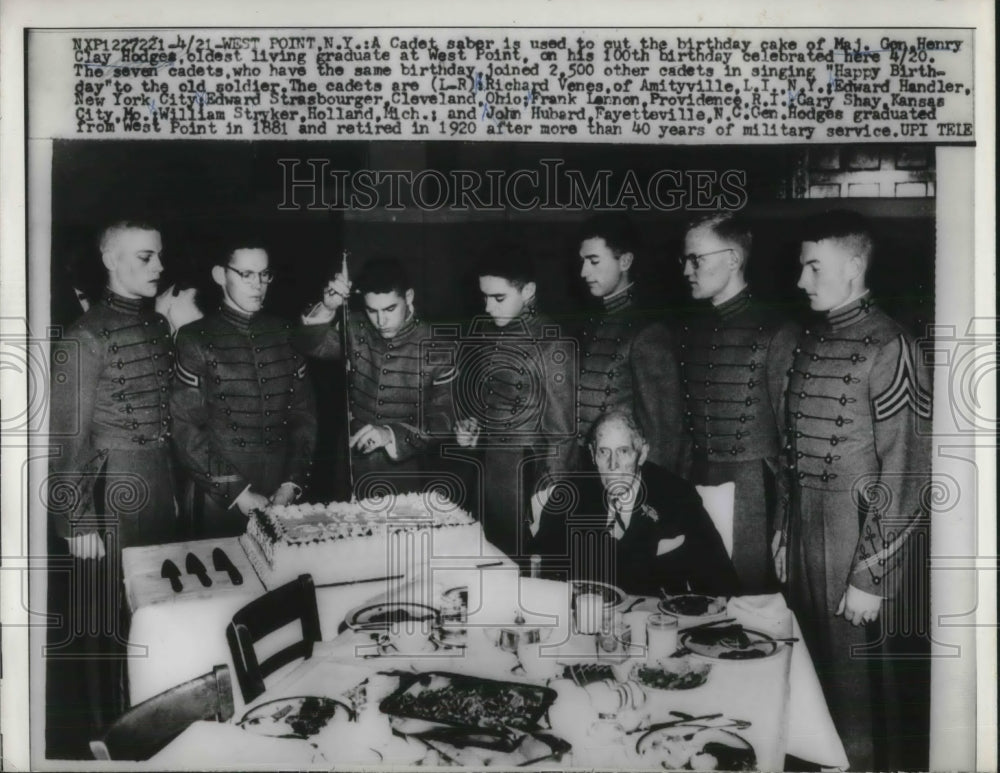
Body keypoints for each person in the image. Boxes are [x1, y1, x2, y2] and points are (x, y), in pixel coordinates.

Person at [777, 210, 932, 771]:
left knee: (855, 693)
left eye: (814, 267)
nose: (801, 281)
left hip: (856, 534)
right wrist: (783, 528)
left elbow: (908, 472)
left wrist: (871, 574)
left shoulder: (892, 344)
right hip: (805, 534)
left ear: (854, 266)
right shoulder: (812, 337)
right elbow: (795, 451)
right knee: (809, 678)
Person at [47, 220, 178, 751]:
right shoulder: (85, 336)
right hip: (109, 498)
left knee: (155, 617)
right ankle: (109, 742)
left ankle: (156, 727)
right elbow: (65, 437)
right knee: (110, 625)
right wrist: (73, 518)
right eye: (146, 257)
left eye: (159, 256)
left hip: (158, 486)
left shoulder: (154, 327)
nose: (159, 267)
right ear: (111, 260)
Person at [677, 213, 798, 593]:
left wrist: (784, 520)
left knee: (751, 605)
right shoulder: (690, 330)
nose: (686, 270)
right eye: (685, 259)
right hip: (697, 485)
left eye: (696, 259)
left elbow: (791, 439)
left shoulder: (778, 330)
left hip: (754, 496)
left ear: (733, 259)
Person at [170, 242, 317, 538]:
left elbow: (304, 418)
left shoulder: (287, 334)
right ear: (220, 275)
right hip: (217, 494)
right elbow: (185, 428)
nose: (258, 285)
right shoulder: (194, 338)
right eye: (246, 274)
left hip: (280, 493)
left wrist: (292, 482)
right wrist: (237, 492)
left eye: (264, 275)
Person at [452, 248, 576, 564]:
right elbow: (493, 407)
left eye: (498, 298)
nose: (488, 307)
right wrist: (474, 430)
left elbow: (561, 436)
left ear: (529, 291)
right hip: (491, 475)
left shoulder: (552, 344)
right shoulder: (491, 334)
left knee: (524, 573)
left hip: (526, 481)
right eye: (484, 297)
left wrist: (548, 505)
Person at [532, 410, 740, 598]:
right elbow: (540, 569)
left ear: (642, 454)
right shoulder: (570, 494)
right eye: (604, 452)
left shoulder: (677, 496)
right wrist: (644, 553)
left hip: (655, 624)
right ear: (592, 454)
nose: (613, 465)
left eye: (623, 452)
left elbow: (721, 582)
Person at [296, 257, 456, 496]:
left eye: (390, 309)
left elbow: (445, 419)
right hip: (349, 468)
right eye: (372, 310)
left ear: (409, 297)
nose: (381, 321)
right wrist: (328, 307)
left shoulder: (438, 348)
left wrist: (391, 434)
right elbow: (308, 345)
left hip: (405, 474)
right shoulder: (356, 328)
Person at [575, 214, 683, 474]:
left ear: (625, 261)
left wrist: (651, 496)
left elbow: (662, 432)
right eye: (582, 261)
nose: (584, 272)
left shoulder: (647, 331)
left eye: (594, 261)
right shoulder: (591, 324)